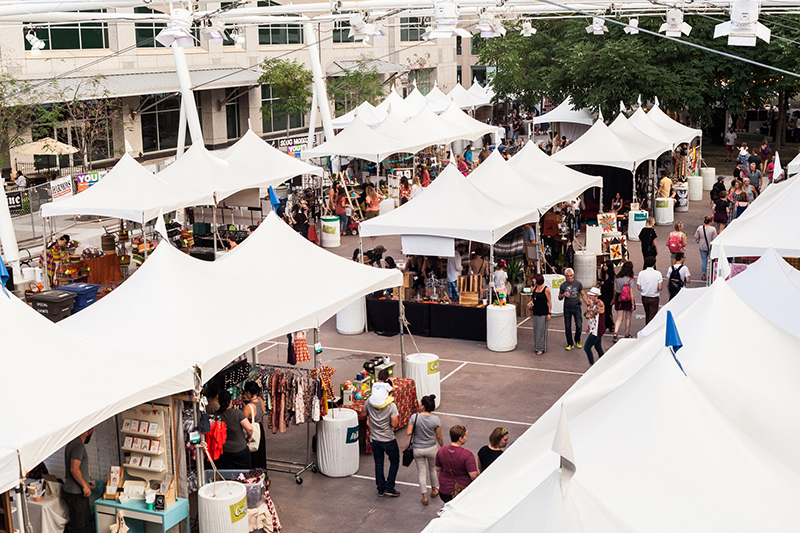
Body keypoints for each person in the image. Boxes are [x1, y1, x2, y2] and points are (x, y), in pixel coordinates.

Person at [362, 370, 401, 497]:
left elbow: (363, 414)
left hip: (374, 439)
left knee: (379, 464)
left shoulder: (369, 401)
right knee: (394, 461)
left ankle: (380, 488)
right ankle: (389, 487)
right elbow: (395, 424)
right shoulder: (391, 406)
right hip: (388, 439)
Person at [406, 395, 443, 506]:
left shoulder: (415, 417)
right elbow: (439, 436)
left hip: (418, 448)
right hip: (431, 448)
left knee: (421, 473)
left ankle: (425, 497)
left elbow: (408, 432)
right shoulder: (435, 419)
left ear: (423, 406)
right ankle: (434, 490)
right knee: (432, 470)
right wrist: (442, 447)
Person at [63, 428, 95, 533]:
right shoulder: (78, 446)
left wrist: (86, 480)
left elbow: (76, 469)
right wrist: (84, 486)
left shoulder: (71, 443)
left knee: (85, 521)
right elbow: (74, 469)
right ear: (89, 431)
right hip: (76, 493)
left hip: (75, 491)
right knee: (79, 525)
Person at [435, 425, 478, 503]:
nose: (466, 438)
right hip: (461, 491)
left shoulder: (442, 451)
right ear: (460, 438)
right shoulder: (467, 454)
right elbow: (473, 476)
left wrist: (442, 483)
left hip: (444, 491)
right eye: (465, 436)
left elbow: (438, 470)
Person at [215, 390, 253, 469]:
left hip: (224, 451)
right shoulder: (238, 413)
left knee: (228, 474)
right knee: (244, 474)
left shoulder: (216, 415)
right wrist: (249, 437)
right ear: (230, 402)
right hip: (240, 450)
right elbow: (249, 428)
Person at [558, 268, 589, 351]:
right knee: (567, 326)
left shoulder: (578, 284)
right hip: (567, 307)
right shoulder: (563, 285)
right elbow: (559, 297)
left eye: (570, 276)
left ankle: (577, 340)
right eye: (567, 276)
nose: (569, 277)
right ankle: (570, 343)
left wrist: (588, 304)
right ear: (565, 276)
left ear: (573, 275)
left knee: (579, 325)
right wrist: (563, 295)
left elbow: (583, 294)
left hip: (576, 306)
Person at [243, 381, 267, 469]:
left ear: (248, 392)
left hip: (252, 430)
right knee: (261, 453)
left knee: (253, 454)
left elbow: (243, 421)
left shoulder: (247, 407)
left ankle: (253, 473)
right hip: (259, 428)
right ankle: (262, 472)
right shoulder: (261, 400)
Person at [527, 274, 551, 355]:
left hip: (543, 312)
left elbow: (549, 302)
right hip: (536, 312)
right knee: (536, 330)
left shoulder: (546, 289)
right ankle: (537, 347)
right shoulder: (534, 289)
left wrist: (549, 313)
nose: (533, 280)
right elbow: (533, 299)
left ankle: (541, 348)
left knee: (541, 330)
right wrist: (531, 303)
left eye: (534, 279)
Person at [611, 261, 635, 341]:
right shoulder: (630, 279)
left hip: (619, 297)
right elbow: (631, 292)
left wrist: (614, 299)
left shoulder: (617, 278)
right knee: (628, 317)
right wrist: (632, 303)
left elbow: (615, 290)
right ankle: (627, 334)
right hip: (628, 298)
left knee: (619, 318)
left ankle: (615, 333)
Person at [637, 256, 662, 325]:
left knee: (647, 313)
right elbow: (660, 287)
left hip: (645, 296)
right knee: (653, 315)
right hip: (654, 297)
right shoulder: (658, 274)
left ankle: (647, 325)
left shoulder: (641, 273)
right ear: (654, 264)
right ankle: (651, 327)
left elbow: (639, 287)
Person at [583, 287, 605, 365]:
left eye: (591, 295)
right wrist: (588, 326)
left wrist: (591, 305)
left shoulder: (600, 304)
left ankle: (591, 364)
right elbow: (588, 316)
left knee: (587, 347)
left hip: (597, 330)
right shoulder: (594, 304)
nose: (589, 297)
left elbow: (592, 314)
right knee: (598, 347)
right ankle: (604, 362)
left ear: (596, 296)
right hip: (594, 328)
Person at [694, 215, 718, 281]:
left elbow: (696, 237)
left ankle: (704, 275)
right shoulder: (713, 229)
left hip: (702, 245)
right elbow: (715, 238)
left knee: (704, 261)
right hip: (710, 246)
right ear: (710, 222)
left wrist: (699, 241)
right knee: (710, 260)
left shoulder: (700, 228)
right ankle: (710, 275)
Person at [598, 261, 616, 335]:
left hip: (609, 294)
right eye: (604, 265)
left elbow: (614, 288)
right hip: (603, 293)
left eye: (606, 266)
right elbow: (599, 281)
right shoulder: (602, 274)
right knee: (603, 310)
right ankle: (605, 325)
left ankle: (611, 324)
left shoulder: (613, 276)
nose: (604, 267)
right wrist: (600, 282)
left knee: (608, 310)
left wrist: (614, 298)